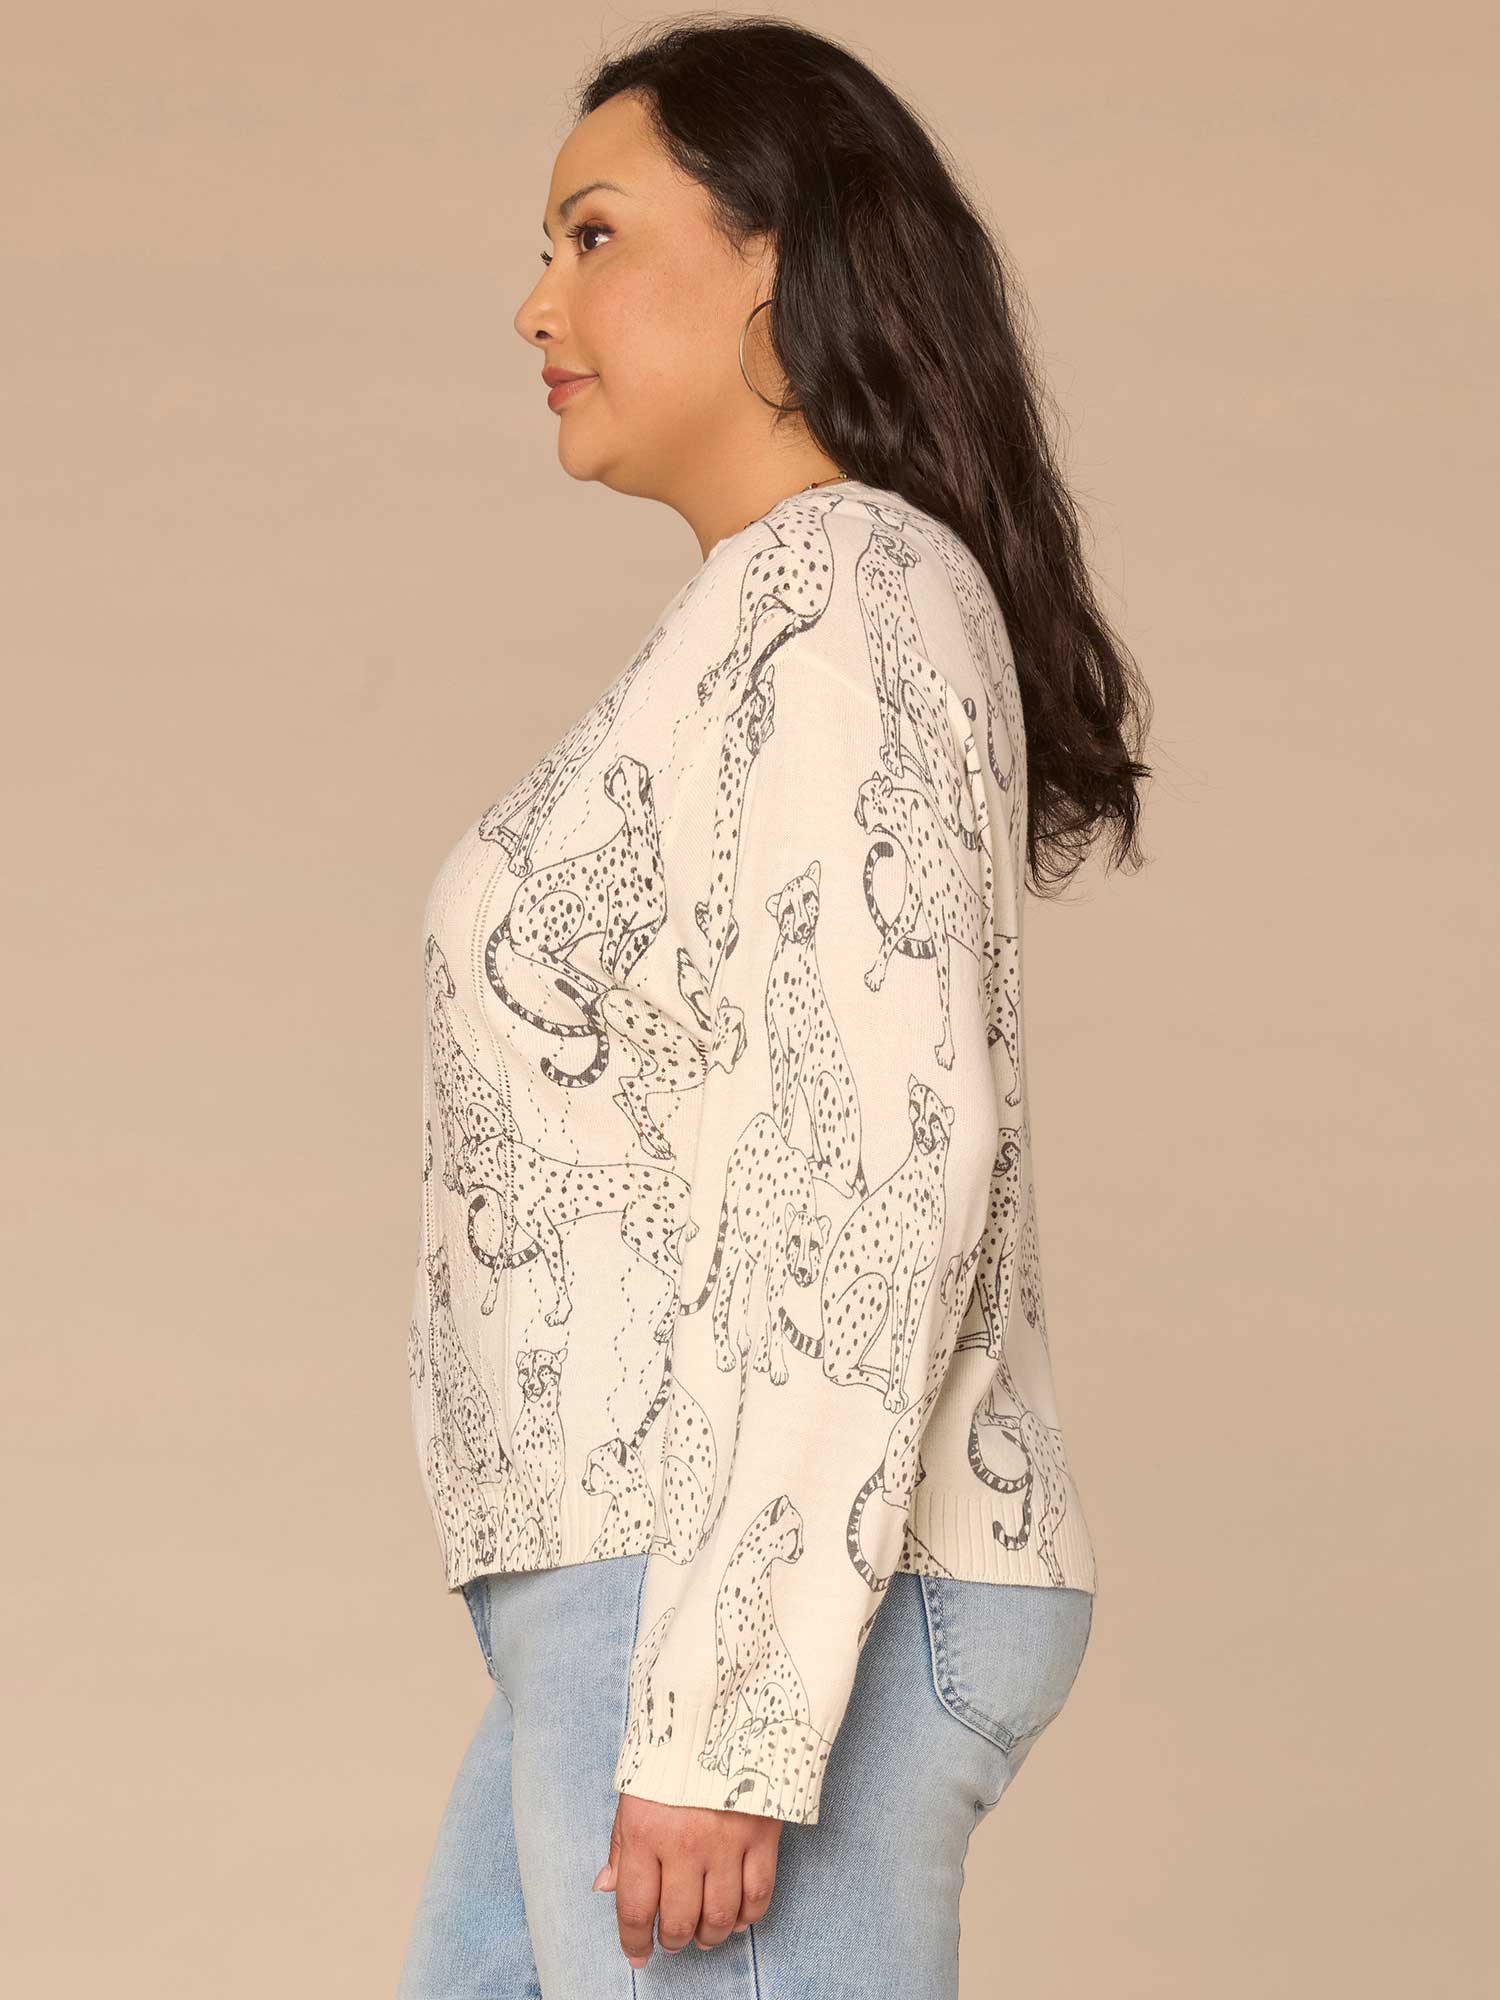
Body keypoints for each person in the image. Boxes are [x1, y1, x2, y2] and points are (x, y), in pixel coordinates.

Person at [398, 16, 1151, 1997]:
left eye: (593, 235)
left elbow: (862, 1155)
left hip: (737, 1597)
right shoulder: (774, 614)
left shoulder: (844, 599)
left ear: (777, 260)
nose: (536, 303)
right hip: (639, 1585)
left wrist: (732, 1716)